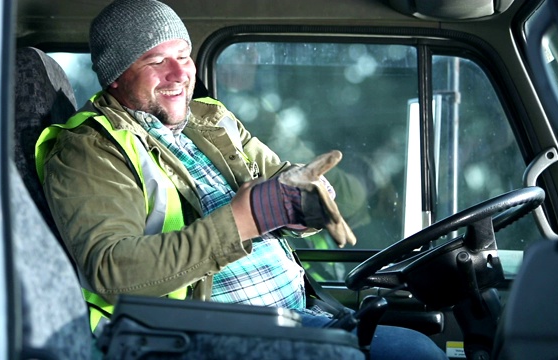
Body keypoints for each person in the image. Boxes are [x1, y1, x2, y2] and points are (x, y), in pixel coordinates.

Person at [35, 0, 448, 359]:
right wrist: (242, 220)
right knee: (416, 354)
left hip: (299, 313)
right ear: (116, 76)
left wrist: (302, 206)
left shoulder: (211, 120)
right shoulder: (89, 150)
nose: (180, 74)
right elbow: (111, 271)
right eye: (157, 62)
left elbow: (281, 180)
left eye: (184, 54)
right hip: (201, 338)